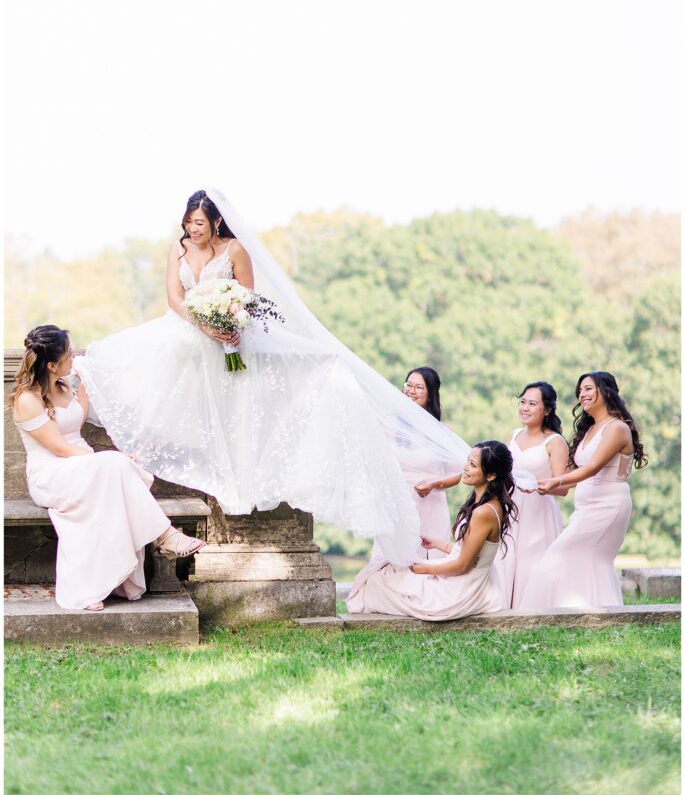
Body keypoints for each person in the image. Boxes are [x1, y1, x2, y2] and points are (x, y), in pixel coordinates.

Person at [75, 189, 470, 565]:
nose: (192, 230)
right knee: (144, 367)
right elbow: (174, 299)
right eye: (188, 222)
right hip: (187, 330)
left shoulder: (235, 250)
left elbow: (247, 300)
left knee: (240, 406)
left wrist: (227, 325)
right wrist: (203, 325)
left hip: (228, 341)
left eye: (199, 223)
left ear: (215, 222)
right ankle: (140, 453)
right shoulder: (178, 249)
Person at [10, 325, 205, 611]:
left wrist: (86, 386)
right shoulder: (28, 399)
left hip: (80, 466)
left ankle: (106, 579)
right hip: (51, 474)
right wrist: (104, 461)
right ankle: (165, 536)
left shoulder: (62, 385)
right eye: (67, 355)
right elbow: (59, 447)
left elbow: (76, 420)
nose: (73, 358)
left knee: (112, 471)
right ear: (51, 365)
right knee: (114, 464)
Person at [346, 441, 517, 620]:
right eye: (467, 461)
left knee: (375, 582)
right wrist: (437, 544)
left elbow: (462, 565)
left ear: (490, 475)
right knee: (386, 568)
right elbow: (470, 552)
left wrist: (423, 569)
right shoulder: (485, 503)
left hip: (463, 588)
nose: (465, 468)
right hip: (468, 579)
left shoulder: (484, 512)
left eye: (472, 465)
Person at [520, 371, 647, 609]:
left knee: (558, 556)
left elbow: (592, 468)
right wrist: (543, 486)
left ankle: (538, 613)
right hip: (586, 507)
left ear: (606, 391)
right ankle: (595, 611)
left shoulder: (617, 428)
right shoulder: (589, 429)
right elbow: (577, 475)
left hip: (608, 506)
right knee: (588, 560)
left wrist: (554, 482)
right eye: (580, 390)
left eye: (588, 388)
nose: (582, 394)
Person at [494, 381, 568, 608]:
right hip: (511, 507)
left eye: (532, 403)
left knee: (532, 561)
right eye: (522, 402)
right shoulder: (514, 435)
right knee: (505, 558)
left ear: (547, 410)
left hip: (538, 512)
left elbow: (563, 487)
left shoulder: (555, 442)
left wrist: (537, 486)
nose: (524, 408)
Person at [396, 367, 462, 559]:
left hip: (430, 506)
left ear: (430, 394)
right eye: (408, 385)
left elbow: (459, 474)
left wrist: (434, 484)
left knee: (428, 560)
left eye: (418, 387)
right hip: (398, 504)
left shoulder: (441, 433)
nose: (411, 390)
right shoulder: (390, 425)